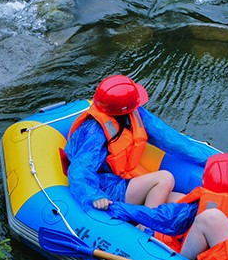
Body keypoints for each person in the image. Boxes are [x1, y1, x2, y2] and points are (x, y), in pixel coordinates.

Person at [64, 74, 213, 212]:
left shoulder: (134, 113)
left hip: (128, 179)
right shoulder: (95, 131)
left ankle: (158, 227)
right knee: (165, 178)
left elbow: (168, 138)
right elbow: (80, 168)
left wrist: (208, 159)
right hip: (106, 186)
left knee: (187, 201)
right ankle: (146, 225)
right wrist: (94, 196)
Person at [153, 153, 228, 259]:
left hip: (191, 256)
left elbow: (174, 224)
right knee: (173, 197)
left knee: (165, 195)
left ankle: (139, 230)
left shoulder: (201, 210)